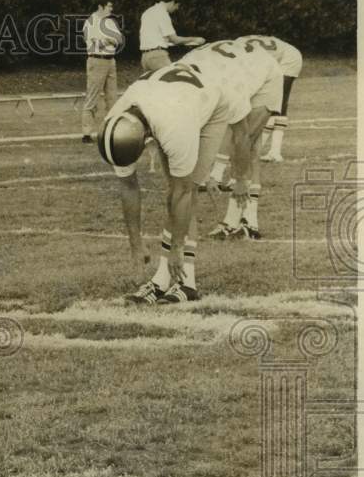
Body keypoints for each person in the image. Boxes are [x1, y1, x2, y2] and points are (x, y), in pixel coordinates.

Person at [97, 61, 254, 304]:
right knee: (174, 191)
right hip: (174, 99)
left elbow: (183, 192)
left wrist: (177, 249)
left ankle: (185, 281)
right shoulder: (116, 122)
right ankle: (162, 281)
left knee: (184, 189)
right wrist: (135, 244)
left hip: (214, 105)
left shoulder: (174, 125)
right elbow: (128, 186)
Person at [180, 40, 283, 240]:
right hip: (241, 69)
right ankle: (242, 221)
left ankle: (242, 221)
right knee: (242, 145)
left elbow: (241, 137)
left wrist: (239, 179)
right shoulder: (183, 73)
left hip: (266, 76)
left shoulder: (228, 87)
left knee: (248, 145)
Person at [234, 35, 302, 162]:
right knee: (268, 102)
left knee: (278, 103)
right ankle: (260, 148)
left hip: (289, 58)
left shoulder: (237, 52)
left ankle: (275, 152)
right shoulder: (239, 45)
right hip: (278, 57)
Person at [80, 0, 122, 143]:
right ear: (100, 6)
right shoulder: (90, 22)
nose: (111, 8)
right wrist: (107, 41)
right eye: (109, 6)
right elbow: (93, 44)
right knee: (92, 96)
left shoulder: (109, 22)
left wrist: (107, 40)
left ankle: (110, 130)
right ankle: (86, 133)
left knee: (112, 97)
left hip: (110, 61)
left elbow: (118, 40)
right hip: (97, 60)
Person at [138, 0, 205, 72]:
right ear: (173, 2)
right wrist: (195, 39)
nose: (177, 8)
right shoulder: (162, 13)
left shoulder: (147, 12)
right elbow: (175, 39)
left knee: (153, 83)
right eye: (177, 5)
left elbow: (156, 37)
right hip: (158, 57)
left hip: (145, 58)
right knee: (175, 80)